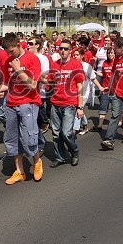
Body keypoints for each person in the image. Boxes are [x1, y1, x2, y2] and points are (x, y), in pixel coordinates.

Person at [0, 32, 43, 184]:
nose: (9, 54)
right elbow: (6, 84)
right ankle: (20, 171)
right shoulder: (8, 60)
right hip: (11, 103)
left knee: (29, 137)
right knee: (12, 138)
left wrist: (18, 70)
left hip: (29, 102)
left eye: (11, 51)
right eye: (7, 51)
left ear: (19, 45)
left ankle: (37, 161)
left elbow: (33, 84)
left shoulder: (32, 59)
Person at [44, 40, 85, 168]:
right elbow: (49, 82)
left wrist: (80, 107)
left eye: (66, 49)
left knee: (66, 132)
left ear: (70, 50)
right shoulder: (55, 65)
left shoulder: (76, 65)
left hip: (70, 104)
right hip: (55, 103)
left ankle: (74, 152)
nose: (63, 51)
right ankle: (60, 157)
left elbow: (79, 86)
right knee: (56, 133)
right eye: (61, 48)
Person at [72, 48, 105, 135]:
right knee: (78, 109)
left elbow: (93, 78)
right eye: (74, 55)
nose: (75, 56)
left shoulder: (87, 66)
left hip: (85, 92)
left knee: (77, 110)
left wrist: (100, 87)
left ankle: (74, 130)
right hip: (74, 92)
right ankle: (85, 125)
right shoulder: (72, 65)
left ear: (82, 56)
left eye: (77, 55)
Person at [90, 47, 115, 132]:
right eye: (109, 53)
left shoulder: (117, 63)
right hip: (105, 88)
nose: (110, 55)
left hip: (115, 89)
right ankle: (100, 125)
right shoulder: (105, 63)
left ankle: (119, 121)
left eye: (112, 53)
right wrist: (96, 73)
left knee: (116, 107)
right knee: (103, 106)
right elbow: (103, 75)